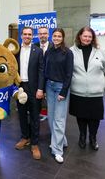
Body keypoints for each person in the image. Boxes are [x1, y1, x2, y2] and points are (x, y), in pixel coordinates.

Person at [69, 26, 105, 151]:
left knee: (94, 117)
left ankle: (93, 138)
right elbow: (69, 69)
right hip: (78, 91)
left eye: (89, 36)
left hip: (95, 92)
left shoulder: (100, 51)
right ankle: (82, 136)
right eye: (85, 36)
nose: (87, 38)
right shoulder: (72, 51)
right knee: (80, 116)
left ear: (92, 38)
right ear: (80, 36)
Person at [44, 28, 73, 163]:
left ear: (63, 38)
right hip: (49, 86)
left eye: (59, 36)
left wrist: (63, 91)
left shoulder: (67, 53)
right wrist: (44, 88)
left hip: (61, 88)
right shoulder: (49, 51)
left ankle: (57, 150)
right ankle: (62, 140)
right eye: (54, 36)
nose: (56, 38)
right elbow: (45, 70)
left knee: (59, 118)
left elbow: (69, 74)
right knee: (51, 117)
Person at [15, 27, 44, 160]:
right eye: (25, 34)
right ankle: (25, 137)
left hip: (33, 88)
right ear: (21, 35)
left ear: (33, 36)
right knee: (21, 114)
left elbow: (41, 71)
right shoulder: (15, 50)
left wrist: (40, 89)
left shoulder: (38, 51)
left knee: (34, 116)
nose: (27, 36)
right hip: (20, 86)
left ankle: (35, 143)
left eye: (29, 34)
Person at [35, 26, 54, 121]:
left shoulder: (53, 47)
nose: (43, 35)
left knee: (50, 101)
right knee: (38, 100)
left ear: (48, 34)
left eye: (45, 33)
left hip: (50, 79)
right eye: (40, 34)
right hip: (37, 79)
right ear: (38, 35)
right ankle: (38, 115)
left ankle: (49, 116)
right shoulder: (34, 46)